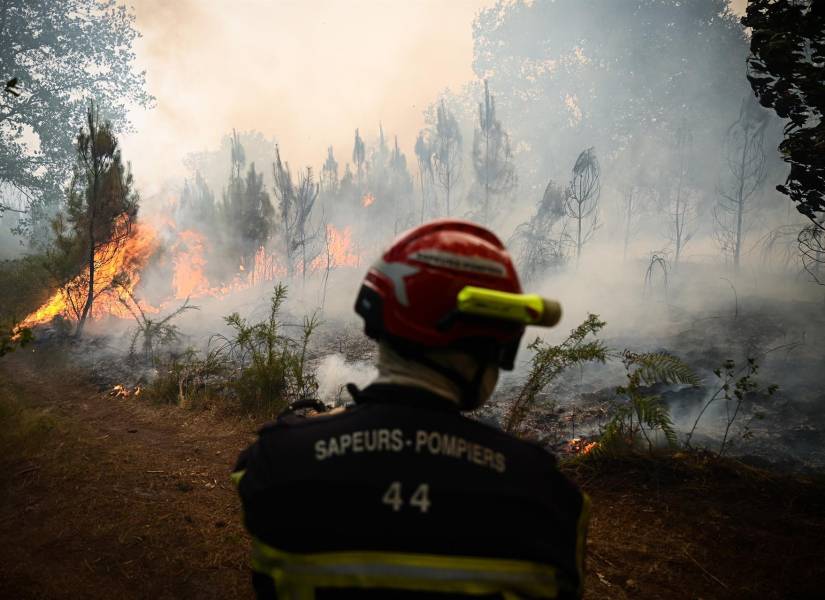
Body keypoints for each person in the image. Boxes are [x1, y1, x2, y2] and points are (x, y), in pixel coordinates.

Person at [233, 219, 589, 599]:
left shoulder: (274, 464)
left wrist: (323, 429)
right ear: (486, 347)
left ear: (379, 326)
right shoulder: (547, 498)